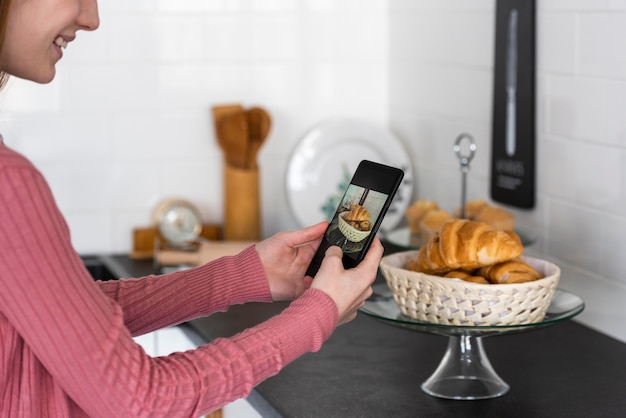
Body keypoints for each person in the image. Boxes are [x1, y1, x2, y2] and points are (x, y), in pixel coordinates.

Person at [0, 0, 383, 416]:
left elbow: (65, 318)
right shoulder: (9, 182)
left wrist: (244, 276)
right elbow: (145, 401)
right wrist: (317, 314)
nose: (91, 18)